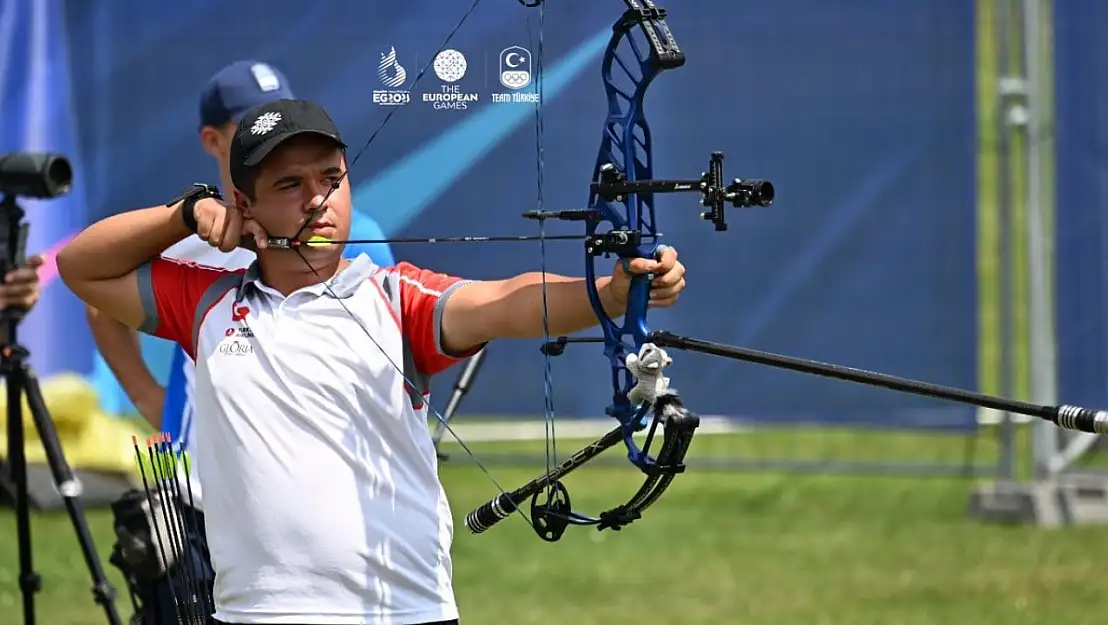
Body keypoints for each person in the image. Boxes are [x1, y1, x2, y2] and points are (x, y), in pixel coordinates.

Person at [57, 98, 687, 625]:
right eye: (289, 185)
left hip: (399, 613)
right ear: (244, 207)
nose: (318, 200)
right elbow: (80, 266)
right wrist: (187, 214)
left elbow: (505, 303)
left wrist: (609, 294)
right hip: (250, 614)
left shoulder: (394, 297)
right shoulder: (209, 302)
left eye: (332, 179)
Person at [84, 62, 395, 624]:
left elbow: (388, 344)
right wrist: (152, 399)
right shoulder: (195, 232)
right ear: (213, 140)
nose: (313, 197)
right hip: (197, 487)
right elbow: (95, 293)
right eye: (250, 123)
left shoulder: (354, 229)